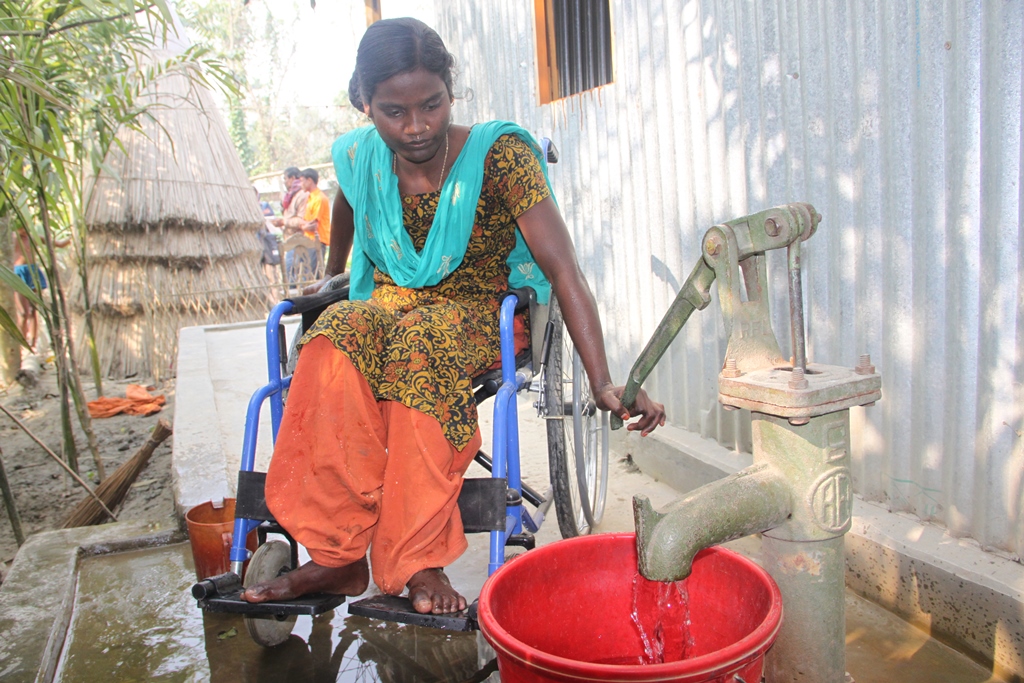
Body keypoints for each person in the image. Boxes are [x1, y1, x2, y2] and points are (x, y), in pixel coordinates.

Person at [241, 17, 665, 616]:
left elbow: (563, 269)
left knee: (421, 342)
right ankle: (336, 555)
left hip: (475, 312)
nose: (416, 127)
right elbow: (346, 204)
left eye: (431, 105)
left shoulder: (500, 155)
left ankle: (417, 558)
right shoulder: (361, 157)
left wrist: (600, 382)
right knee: (330, 339)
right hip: (384, 307)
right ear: (366, 104)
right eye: (394, 111)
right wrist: (333, 272)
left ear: (450, 90)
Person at [299, 167, 331, 269]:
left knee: (315, 275)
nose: (301, 184)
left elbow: (313, 225)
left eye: (302, 181)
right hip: (309, 241)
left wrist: (301, 226)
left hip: (317, 242)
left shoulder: (319, 198)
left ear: (309, 180)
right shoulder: (310, 198)